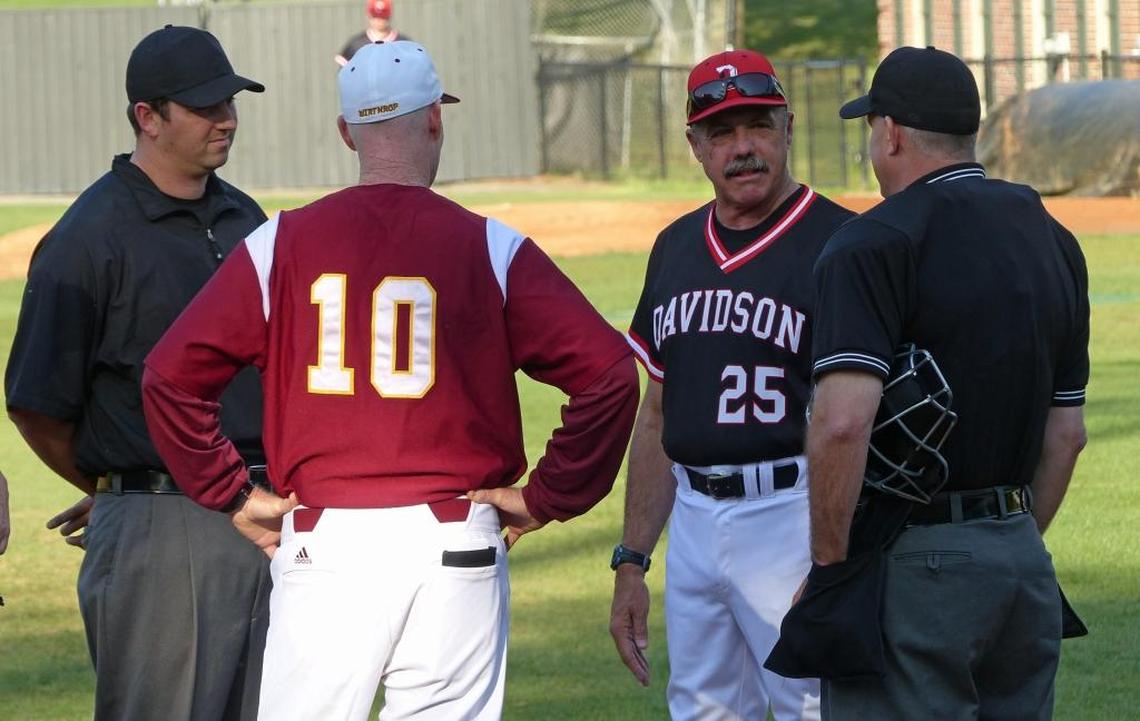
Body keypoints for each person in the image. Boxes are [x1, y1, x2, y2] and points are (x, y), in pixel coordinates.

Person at [141, 40, 639, 721]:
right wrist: (547, 496)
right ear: (435, 120)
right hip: (453, 541)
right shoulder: (492, 246)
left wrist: (230, 492)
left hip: (324, 542)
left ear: (346, 131)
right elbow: (610, 376)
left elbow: (169, 377)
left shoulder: (277, 243)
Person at [807, 46, 1089, 720]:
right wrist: (1005, 540)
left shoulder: (871, 243)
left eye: (871, 125)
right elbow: (1067, 433)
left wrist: (831, 573)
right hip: (1022, 558)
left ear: (892, 131)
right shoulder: (1055, 240)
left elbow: (843, 423)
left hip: (914, 566)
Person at [5, 25, 271, 721]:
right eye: (205, 106)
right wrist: (127, 491)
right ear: (147, 118)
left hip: (270, 515)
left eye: (231, 101)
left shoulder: (246, 218)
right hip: (164, 531)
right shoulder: (87, 238)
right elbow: (36, 403)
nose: (226, 118)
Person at [608, 49, 855, 721]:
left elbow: (866, 423)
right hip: (691, 517)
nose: (742, 148)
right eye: (722, 132)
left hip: (792, 510)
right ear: (695, 145)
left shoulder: (846, 244)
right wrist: (633, 557)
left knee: (812, 706)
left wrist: (835, 559)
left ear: (788, 125)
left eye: (757, 126)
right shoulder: (675, 246)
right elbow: (658, 413)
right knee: (701, 710)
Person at [334, 0, 411, 67]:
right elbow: (345, 74)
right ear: (368, 15)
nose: (378, 20)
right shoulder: (356, 44)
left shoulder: (404, 44)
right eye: (375, 16)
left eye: (383, 16)